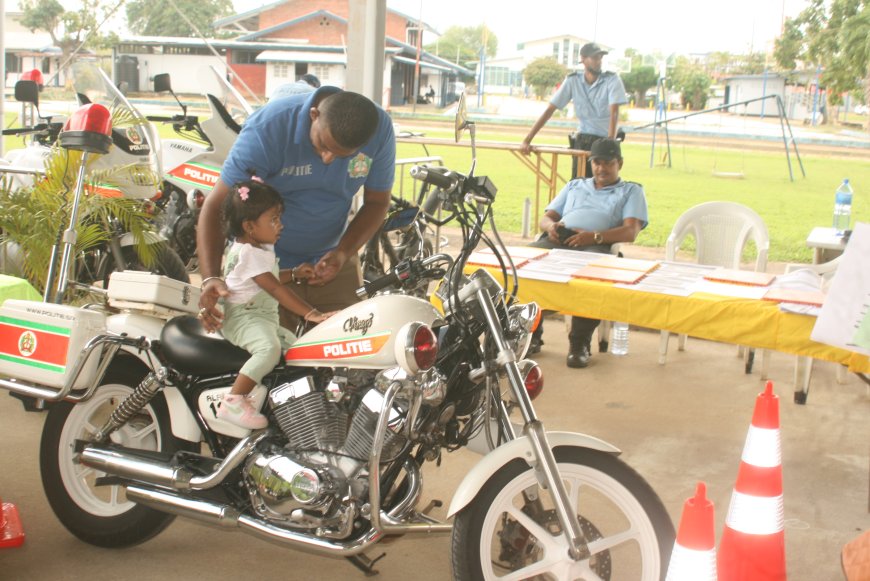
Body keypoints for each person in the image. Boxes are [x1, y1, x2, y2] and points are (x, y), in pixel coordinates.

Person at [197, 87, 395, 335]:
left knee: (349, 350)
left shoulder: (379, 129)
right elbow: (216, 206)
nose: (327, 159)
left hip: (332, 262)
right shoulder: (268, 129)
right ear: (314, 115)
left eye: (341, 154)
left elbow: (377, 202)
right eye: (323, 145)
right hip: (263, 268)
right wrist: (210, 277)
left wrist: (343, 252)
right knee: (271, 360)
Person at [215, 178, 335, 429]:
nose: (280, 225)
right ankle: (233, 400)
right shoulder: (248, 253)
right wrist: (311, 314)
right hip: (243, 318)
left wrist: (293, 274)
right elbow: (274, 288)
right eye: (273, 219)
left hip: (260, 317)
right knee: (268, 349)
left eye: (279, 217)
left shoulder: (257, 248)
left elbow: (267, 280)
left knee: (297, 349)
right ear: (249, 226)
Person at [528, 138, 648, 369]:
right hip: (559, 240)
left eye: (608, 163)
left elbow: (630, 231)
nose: (601, 168)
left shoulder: (631, 191)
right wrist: (550, 227)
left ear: (619, 164)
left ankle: (579, 343)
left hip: (596, 245)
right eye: (597, 163)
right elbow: (547, 217)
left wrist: (594, 237)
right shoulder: (575, 185)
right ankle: (530, 334)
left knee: (593, 280)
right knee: (523, 266)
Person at [521, 42, 627, 178]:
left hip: (605, 141)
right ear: (583, 59)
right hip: (583, 141)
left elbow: (614, 113)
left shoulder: (612, 80)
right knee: (579, 186)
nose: (598, 62)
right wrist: (527, 140)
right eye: (594, 58)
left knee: (603, 187)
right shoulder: (573, 81)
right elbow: (550, 110)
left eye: (600, 58)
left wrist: (610, 144)